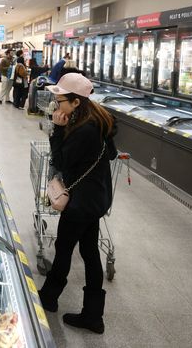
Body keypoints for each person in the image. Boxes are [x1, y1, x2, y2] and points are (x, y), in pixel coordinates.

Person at [38, 73, 118, 335]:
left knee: (64, 247)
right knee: (89, 252)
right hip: (95, 198)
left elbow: (61, 162)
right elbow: (113, 153)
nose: (56, 105)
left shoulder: (83, 130)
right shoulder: (99, 119)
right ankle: (93, 315)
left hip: (82, 202)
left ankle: (49, 297)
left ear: (75, 102)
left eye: (59, 100)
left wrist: (58, 130)